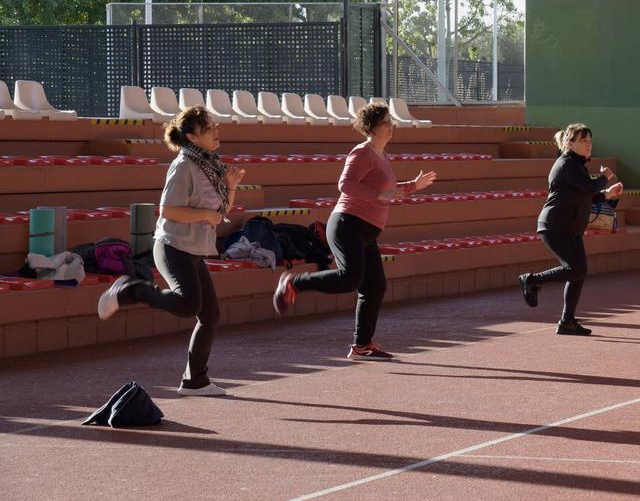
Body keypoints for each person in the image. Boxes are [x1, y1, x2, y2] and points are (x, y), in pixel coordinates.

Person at [97, 106, 245, 396]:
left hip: (193, 249)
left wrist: (230, 187)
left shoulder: (210, 165)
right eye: (209, 128)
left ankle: (195, 381)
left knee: (210, 315)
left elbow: (220, 211)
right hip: (172, 246)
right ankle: (130, 290)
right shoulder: (183, 166)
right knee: (190, 304)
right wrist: (205, 214)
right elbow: (167, 211)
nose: (217, 131)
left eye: (216, 126)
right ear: (191, 136)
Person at [272, 103, 436, 360]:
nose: (391, 126)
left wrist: (413, 186)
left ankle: (361, 346)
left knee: (375, 286)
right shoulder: (362, 152)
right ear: (372, 127)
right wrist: (377, 194)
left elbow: (387, 190)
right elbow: (345, 184)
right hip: (347, 224)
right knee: (350, 278)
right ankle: (294, 282)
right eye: (386, 122)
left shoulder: (381, 156)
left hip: (366, 231)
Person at [517, 123, 623, 336]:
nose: (588, 145)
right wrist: (606, 177)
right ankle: (532, 280)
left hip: (570, 227)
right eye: (584, 141)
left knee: (578, 272)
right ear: (570, 143)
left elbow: (587, 195)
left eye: (590, 141)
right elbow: (591, 187)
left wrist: (607, 195)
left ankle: (567, 321)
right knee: (576, 269)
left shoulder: (577, 166)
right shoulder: (566, 164)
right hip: (554, 226)